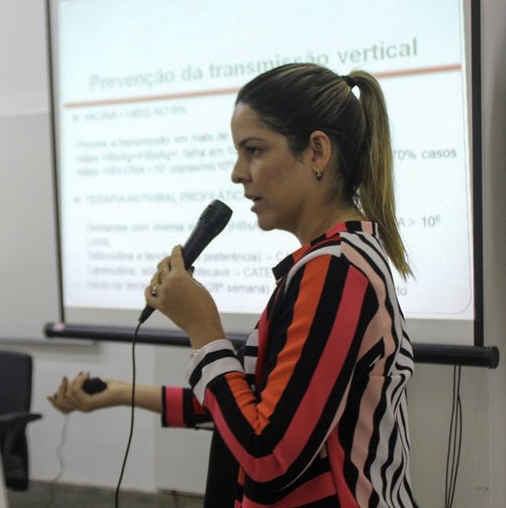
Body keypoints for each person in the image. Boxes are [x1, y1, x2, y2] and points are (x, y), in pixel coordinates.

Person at [48, 63, 417, 507]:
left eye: (254, 150)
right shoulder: (336, 260)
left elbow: (267, 454)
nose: (238, 173)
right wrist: (121, 393)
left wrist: (203, 330)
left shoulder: (335, 271)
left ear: (317, 152)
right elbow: (250, 407)